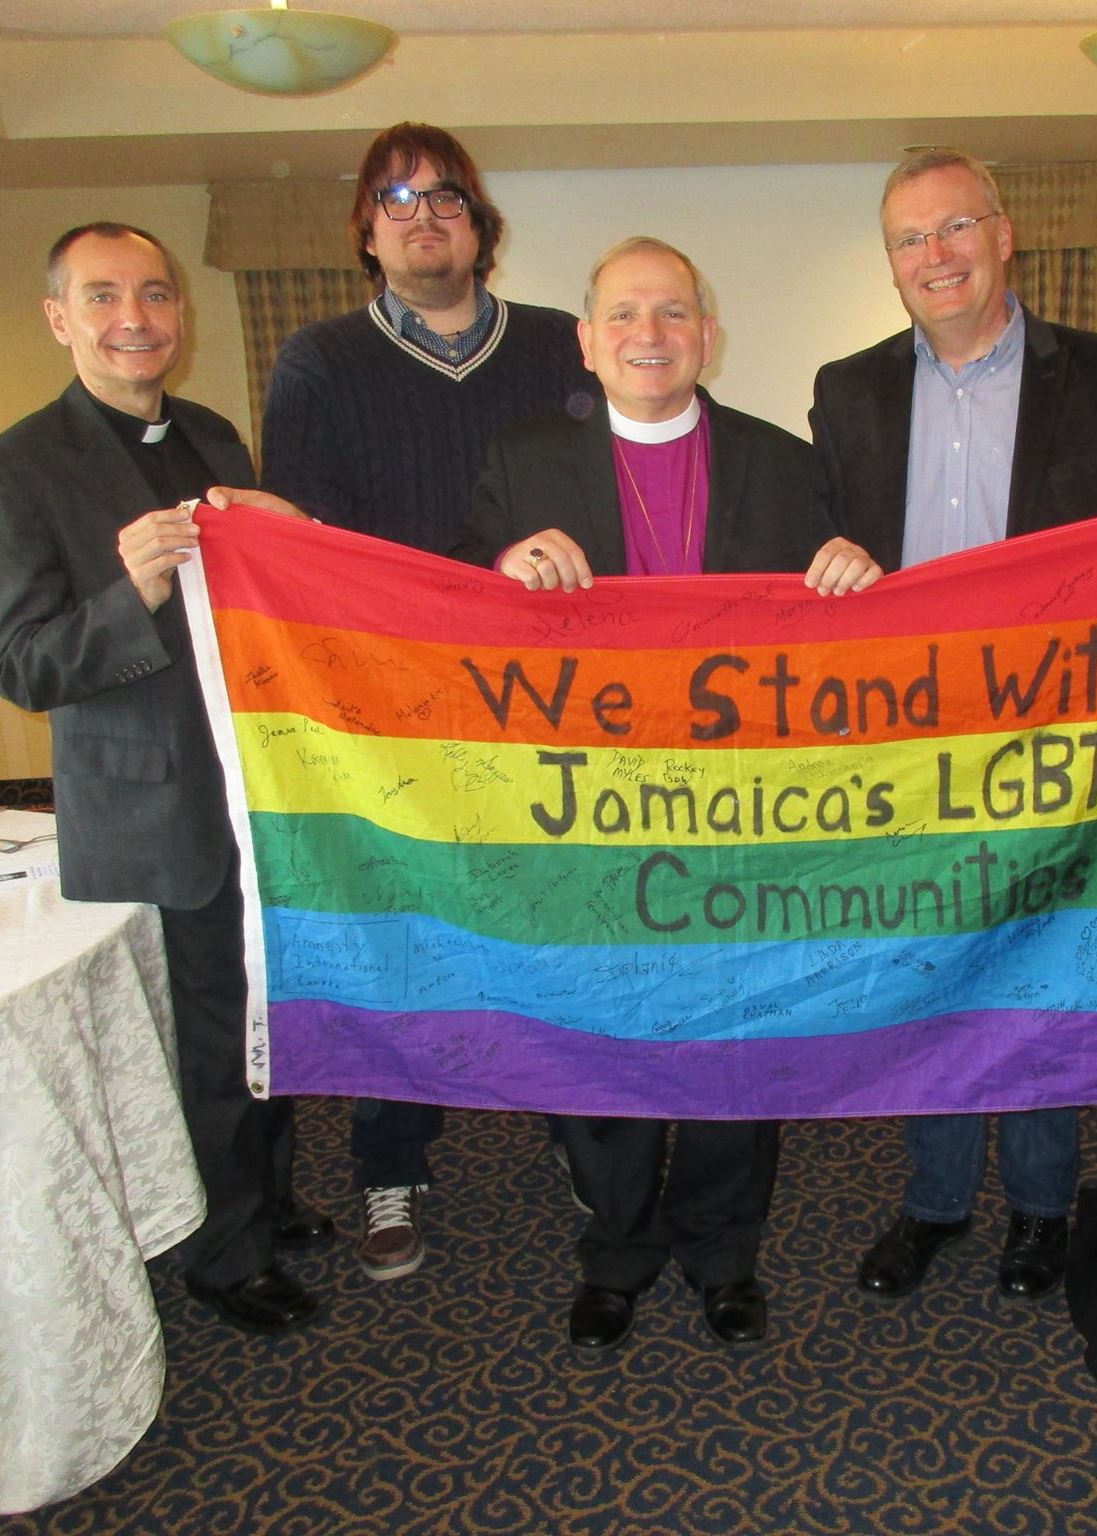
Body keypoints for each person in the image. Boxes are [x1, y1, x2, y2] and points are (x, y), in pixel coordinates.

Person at [453, 237, 880, 1351]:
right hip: (582, 821)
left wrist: (851, 576)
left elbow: (833, 646)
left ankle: (722, 1253)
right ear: (588, 341)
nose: (650, 334)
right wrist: (500, 573)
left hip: (740, 819)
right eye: (625, 315)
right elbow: (450, 619)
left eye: (674, 312)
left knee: (736, 1042)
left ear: (708, 334)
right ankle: (618, 1250)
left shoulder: (782, 466)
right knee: (601, 1045)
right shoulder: (521, 460)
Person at [811, 147, 1097, 1304]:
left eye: (953, 228)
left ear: (1004, 233)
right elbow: (816, 548)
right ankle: (931, 1202)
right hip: (909, 739)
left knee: (1036, 972)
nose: (934, 256)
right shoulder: (846, 389)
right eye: (908, 240)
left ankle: (1039, 1206)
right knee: (928, 964)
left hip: (1055, 738)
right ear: (889, 263)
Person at [0, 223, 328, 1334]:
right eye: (105, 295)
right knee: (209, 1029)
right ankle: (226, 1255)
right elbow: (23, 665)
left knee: (267, 1000)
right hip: (151, 800)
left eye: (156, 294)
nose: (136, 316)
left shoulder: (215, 434)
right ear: (59, 317)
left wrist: (296, 539)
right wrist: (130, 592)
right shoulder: (10, 468)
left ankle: (262, 1194)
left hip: (252, 777)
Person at [260, 122, 597, 1283]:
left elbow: (615, 498)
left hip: (543, 707)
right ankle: (390, 1161)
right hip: (387, 709)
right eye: (396, 198)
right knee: (396, 940)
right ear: (366, 227)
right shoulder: (317, 364)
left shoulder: (564, 346)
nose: (423, 215)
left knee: (555, 926)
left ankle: (583, 1137)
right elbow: (306, 548)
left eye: (446, 196)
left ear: (479, 222)